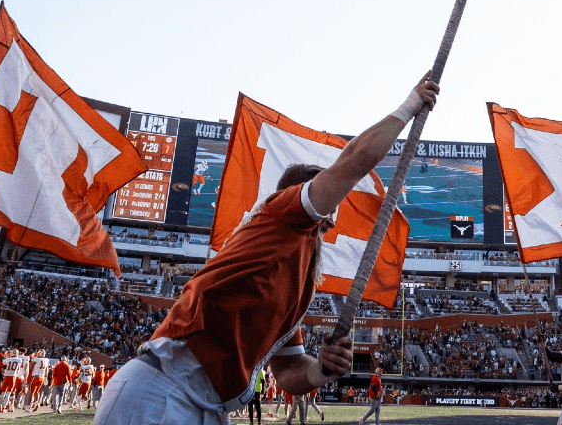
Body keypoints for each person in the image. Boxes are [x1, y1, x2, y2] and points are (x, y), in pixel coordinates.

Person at [95, 74, 439, 425]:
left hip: (207, 405)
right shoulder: (282, 216)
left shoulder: (301, 277)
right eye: (326, 198)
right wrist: (409, 105)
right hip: (164, 389)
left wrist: (321, 370)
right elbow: (354, 161)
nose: (334, 215)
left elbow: (288, 369)